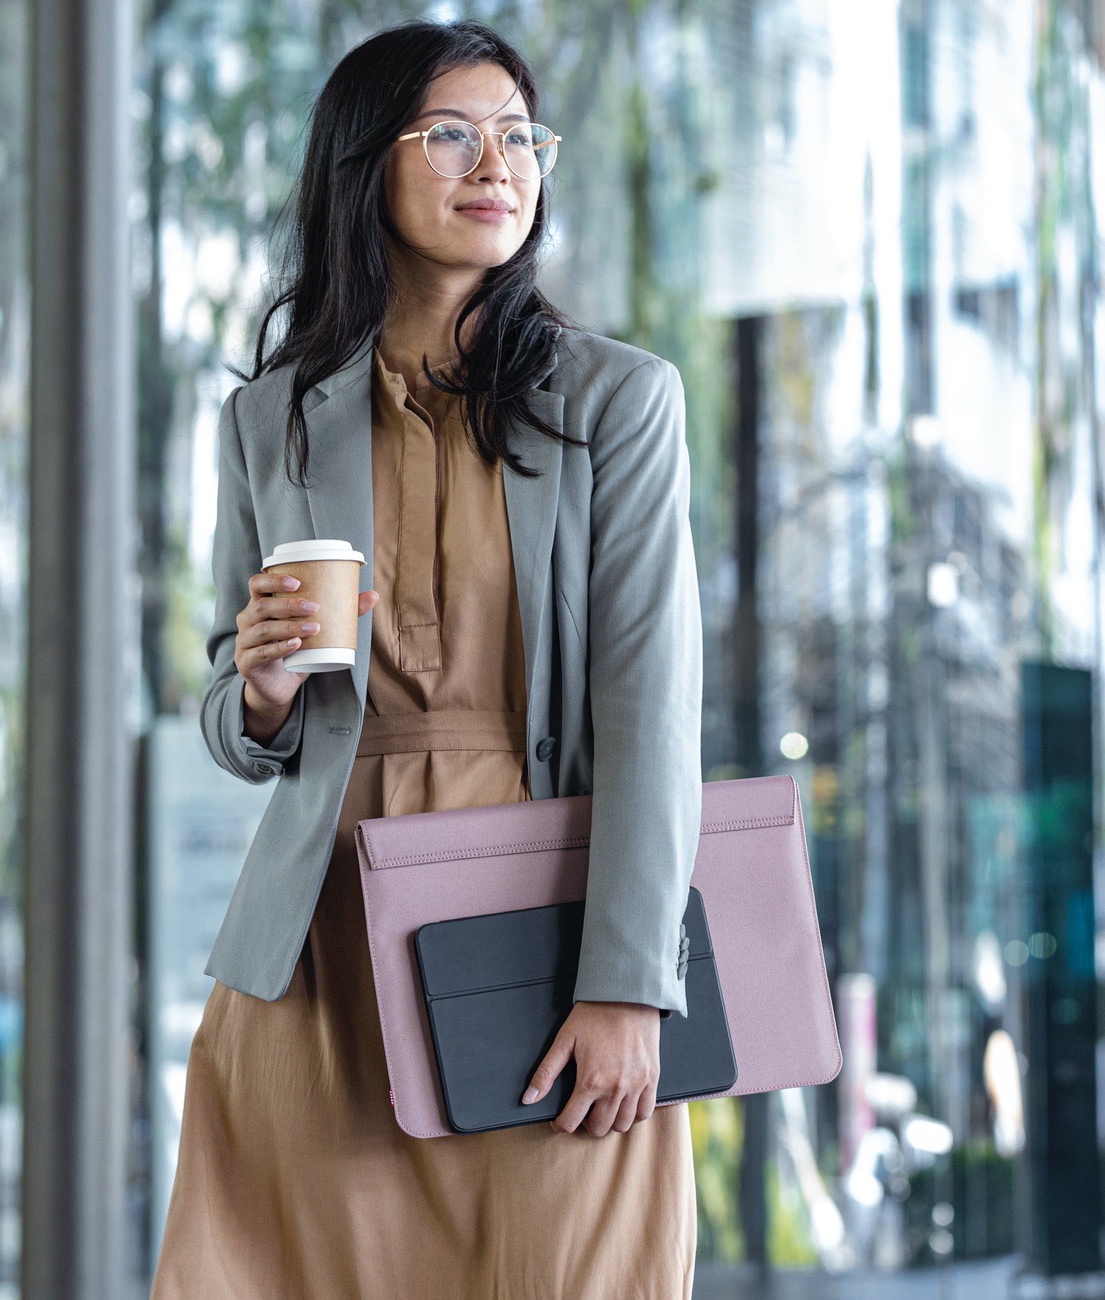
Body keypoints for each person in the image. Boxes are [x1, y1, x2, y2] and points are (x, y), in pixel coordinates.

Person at [152, 19, 703, 1297]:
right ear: (364, 166)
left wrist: (629, 982)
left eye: (518, 135)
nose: (495, 162)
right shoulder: (270, 416)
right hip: (325, 949)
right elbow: (237, 725)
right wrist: (266, 688)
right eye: (451, 132)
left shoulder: (619, 401)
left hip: (549, 932)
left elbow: (650, 704)